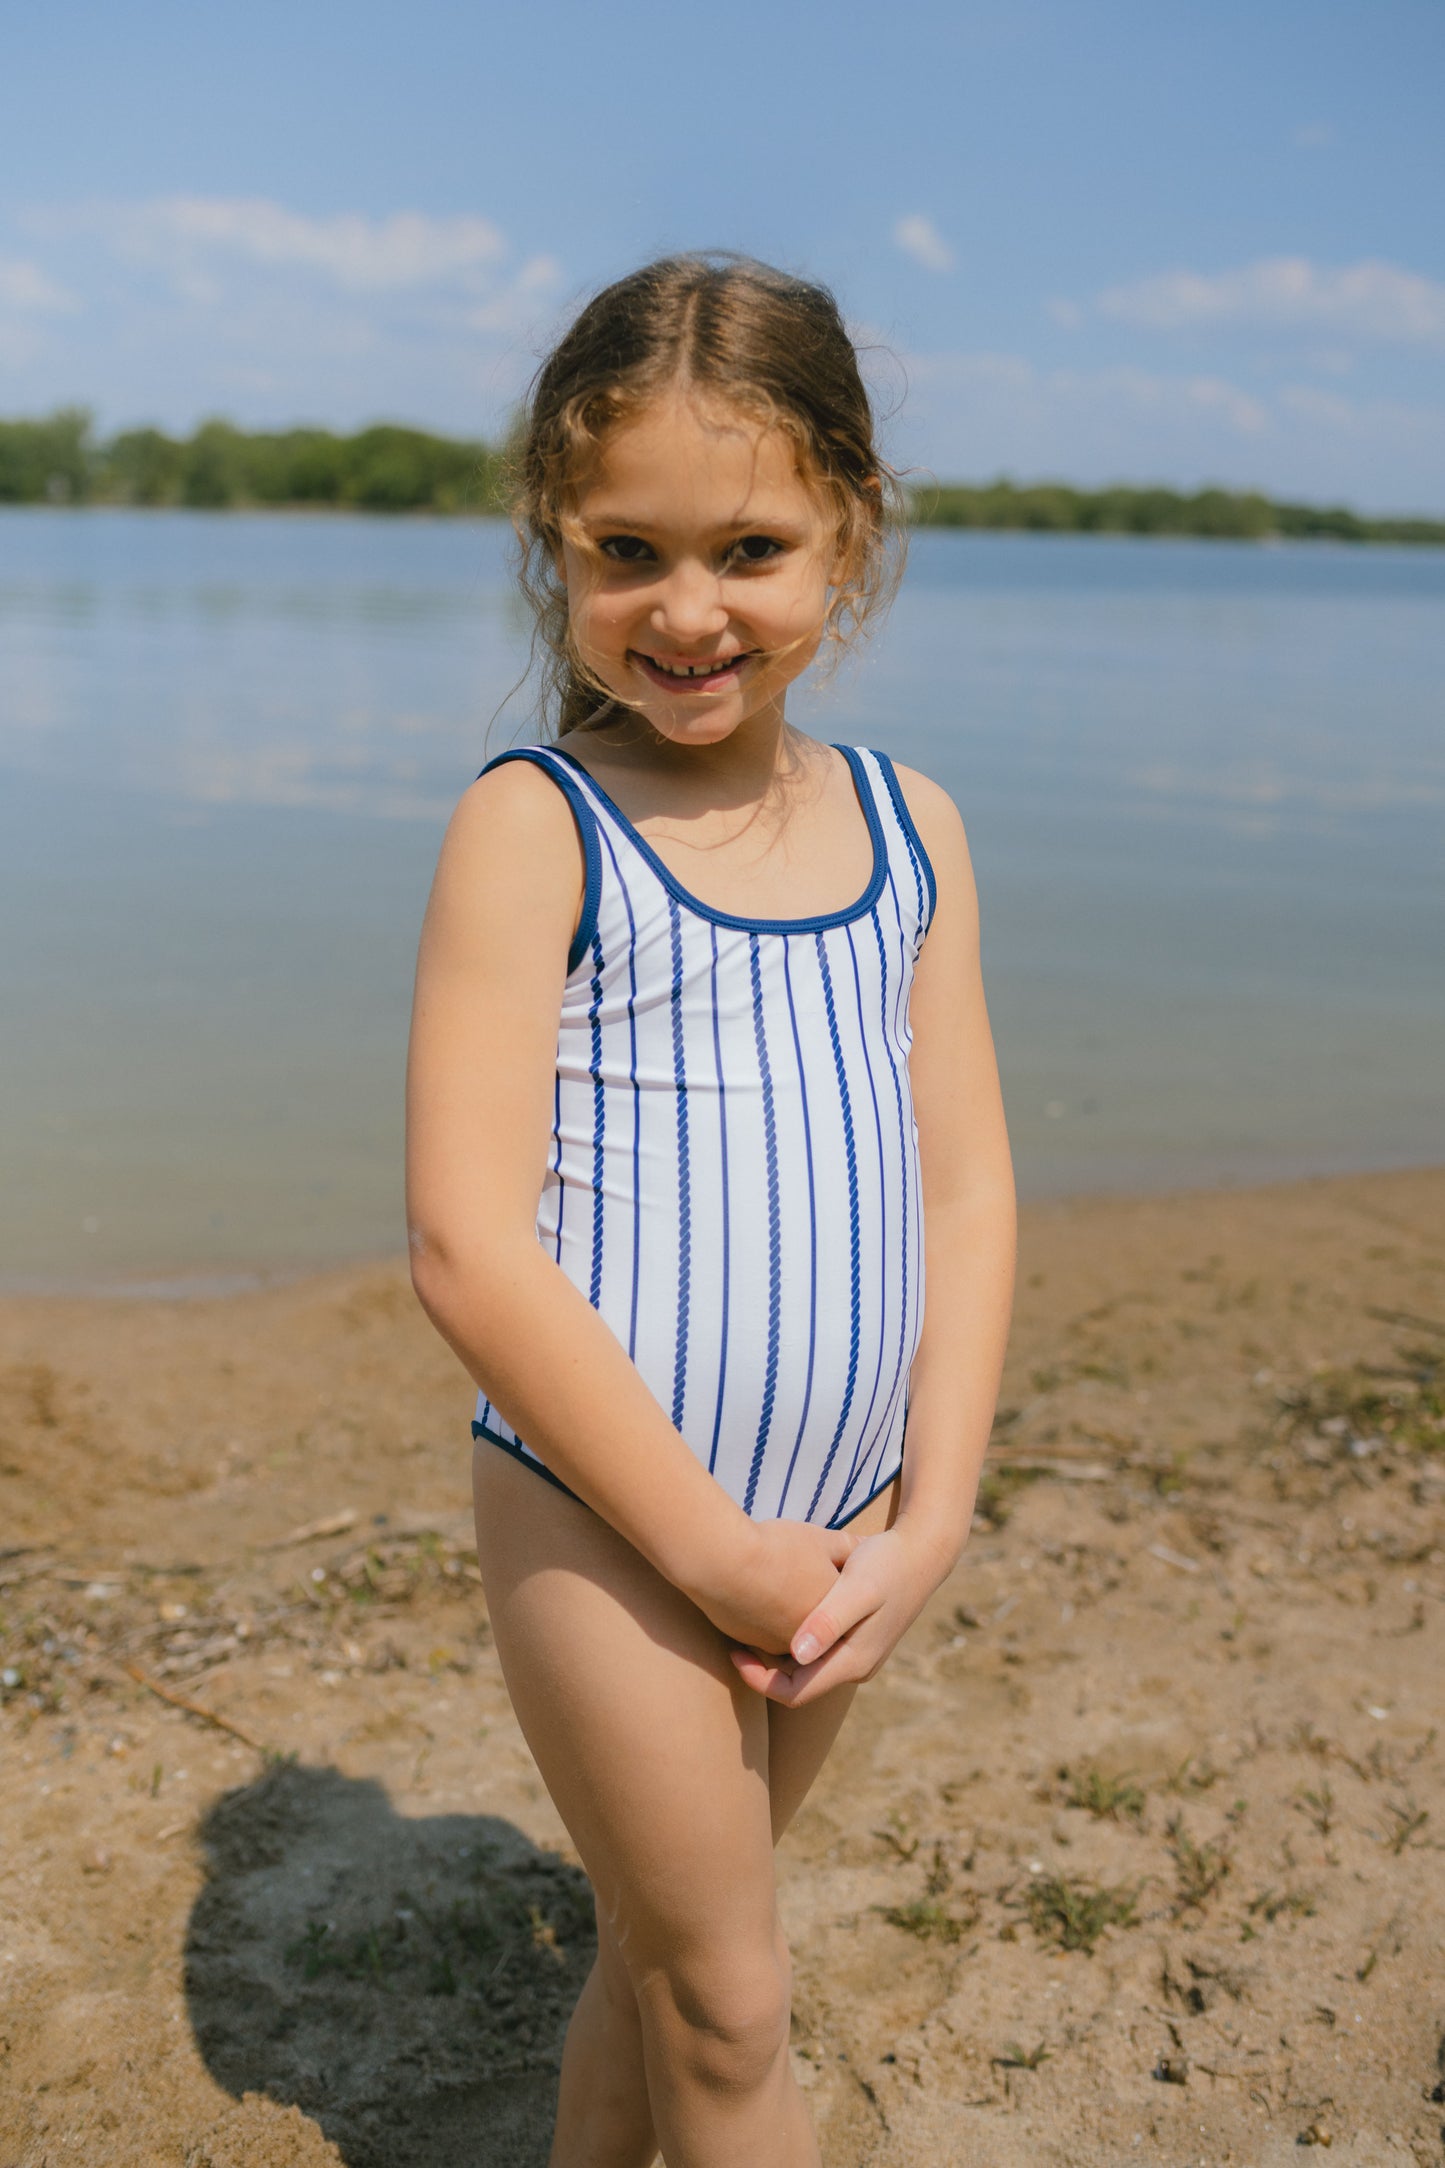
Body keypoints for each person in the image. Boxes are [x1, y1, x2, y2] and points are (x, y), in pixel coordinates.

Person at [405, 251, 1016, 2168]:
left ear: (848, 529)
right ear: (556, 543)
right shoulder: (537, 824)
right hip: (614, 1512)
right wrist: (708, 1546)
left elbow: (969, 1180)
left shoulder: (914, 828)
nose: (686, 611)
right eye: (625, 553)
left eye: (749, 547)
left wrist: (934, 1510)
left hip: (840, 1526)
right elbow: (463, 1243)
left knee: (669, 1960)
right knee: (737, 2010)